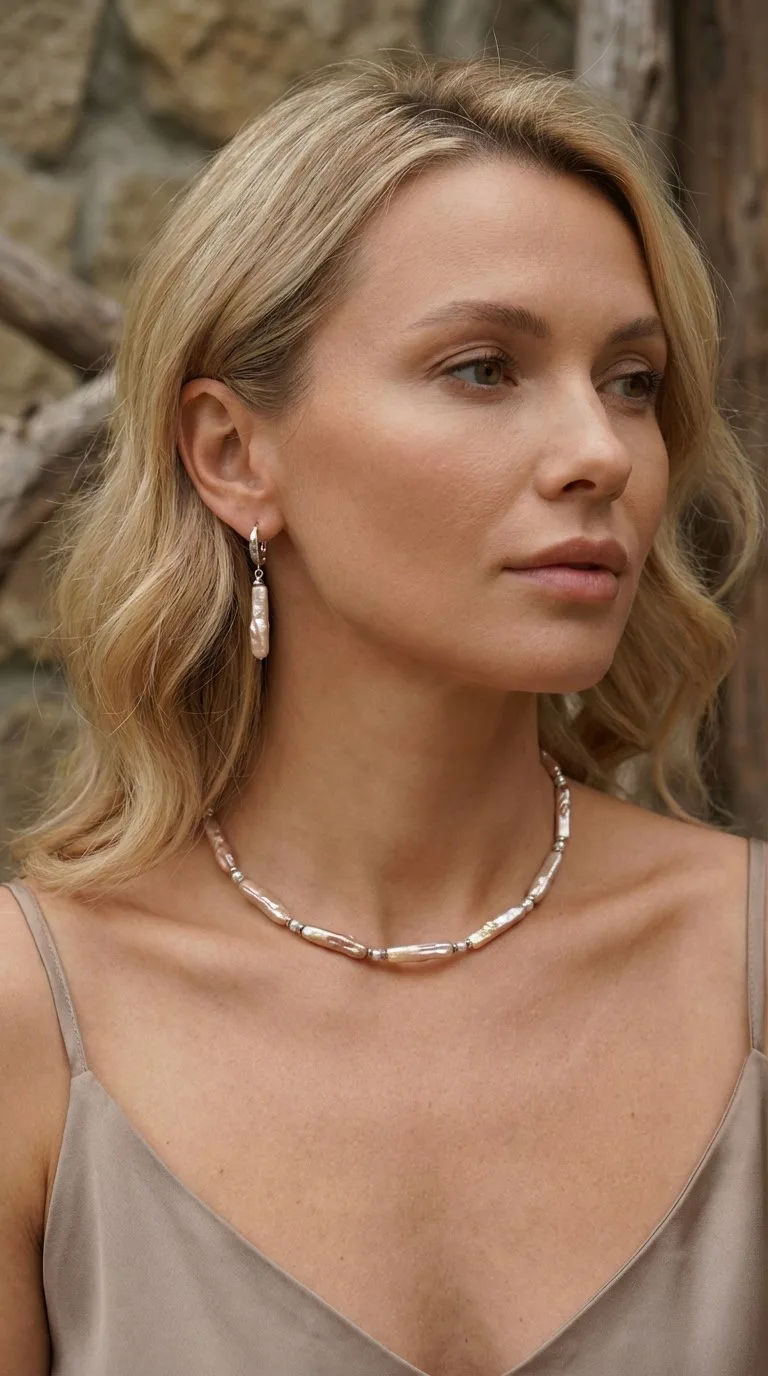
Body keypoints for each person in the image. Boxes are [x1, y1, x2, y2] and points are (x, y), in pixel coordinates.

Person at [0, 55, 765, 1376]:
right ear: (234, 454)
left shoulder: (744, 965)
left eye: (632, 380)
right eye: (484, 368)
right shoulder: (31, 1024)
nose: (601, 451)